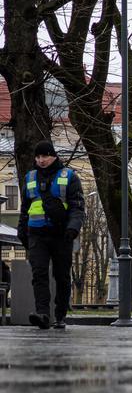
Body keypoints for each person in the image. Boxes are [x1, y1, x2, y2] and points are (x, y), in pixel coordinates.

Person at [17, 140, 85, 330]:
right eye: (38, 157)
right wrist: (22, 230)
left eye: (45, 156)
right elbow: (25, 208)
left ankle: (60, 315)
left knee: (61, 276)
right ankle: (43, 314)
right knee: (39, 273)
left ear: (53, 156)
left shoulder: (69, 176)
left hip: (61, 234)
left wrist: (73, 228)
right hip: (36, 233)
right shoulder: (30, 177)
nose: (41, 160)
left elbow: (77, 206)